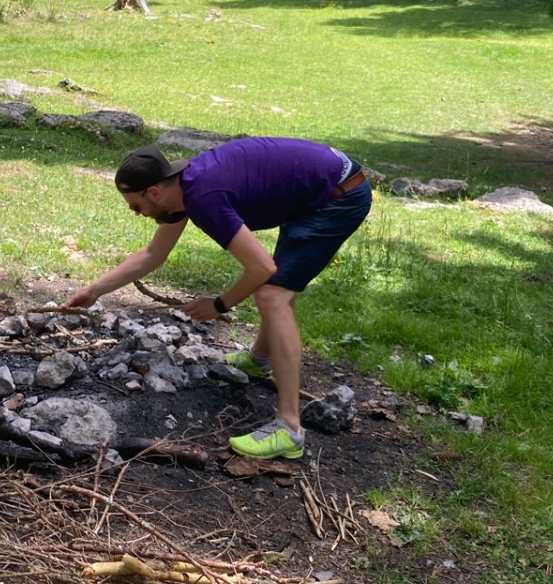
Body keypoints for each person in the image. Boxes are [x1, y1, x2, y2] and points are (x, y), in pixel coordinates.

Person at [65, 138, 372, 460]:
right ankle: (259, 361)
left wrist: (219, 304)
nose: (139, 214)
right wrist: (93, 291)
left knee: (271, 295)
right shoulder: (183, 187)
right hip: (315, 191)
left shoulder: (204, 197)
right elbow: (154, 253)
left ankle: (289, 430)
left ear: (154, 192)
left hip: (338, 197)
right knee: (277, 288)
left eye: (136, 207)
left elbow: (260, 268)